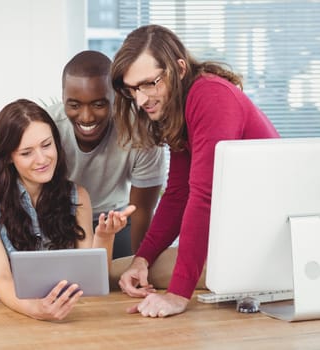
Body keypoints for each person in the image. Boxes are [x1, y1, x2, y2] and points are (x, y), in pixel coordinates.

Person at [110, 24, 280, 317]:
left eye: (150, 83)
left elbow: (204, 196)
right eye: (133, 89)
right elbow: (178, 194)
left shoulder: (210, 96)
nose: (141, 99)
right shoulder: (181, 106)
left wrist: (177, 295)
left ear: (178, 68)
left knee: (112, 272)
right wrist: (142, 259)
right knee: (124, 269)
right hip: (242, 239)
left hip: (267, 247)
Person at [0, 99, 135, 321]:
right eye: (26, 153)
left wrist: (105, 235)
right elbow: (2, 278)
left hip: (53, 315)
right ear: (8, 158)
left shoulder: (77, 196)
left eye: (46, 145)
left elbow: (89, 278)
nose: (42, 159)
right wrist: (35, 310)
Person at [46, 50, 166, 259]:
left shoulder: (141, 132)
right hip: (60, 220)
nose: (86, 117)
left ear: (116, 98)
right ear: (63, 97)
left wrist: (139, 264)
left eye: (99, 104)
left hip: (114, 220)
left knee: (124, 276)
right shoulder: (47, 128)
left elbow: (141, 210)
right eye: (74, 105)